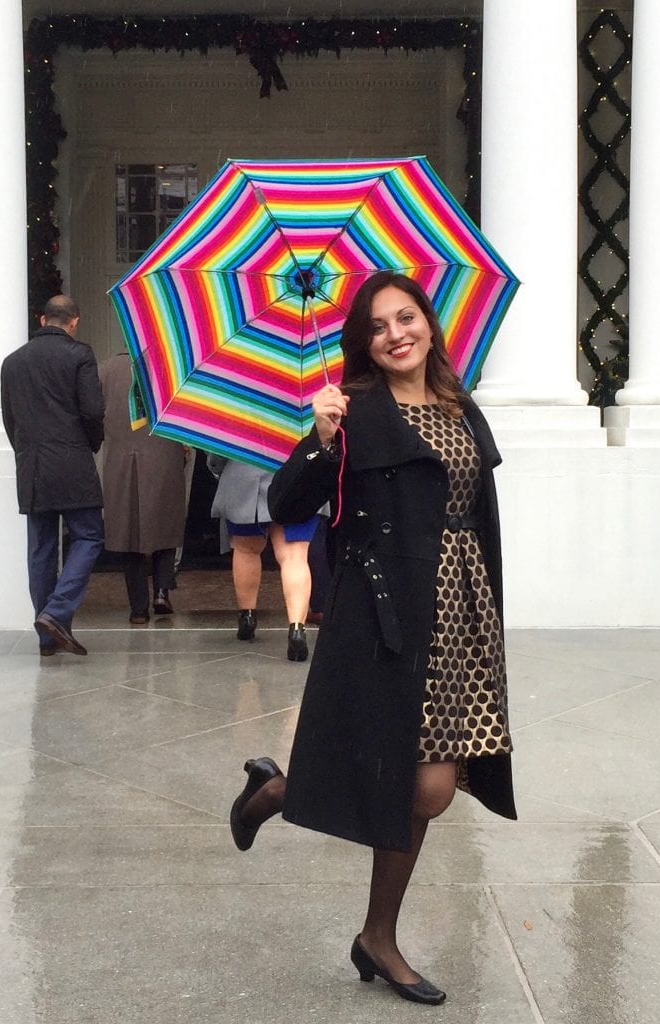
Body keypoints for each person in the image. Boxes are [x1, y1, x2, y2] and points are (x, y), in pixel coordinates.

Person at [228, 271, 516, 1006]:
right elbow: (291, 505)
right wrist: (322, 442)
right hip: (387, 615)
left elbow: (475, 512)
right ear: (365, 344)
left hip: (458, 612)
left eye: (406, 317)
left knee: (428, 788)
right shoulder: (351, 411)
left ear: (427, 322)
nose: (396, 333)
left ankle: (365, 921)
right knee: (415, 783)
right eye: (380, 326)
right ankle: (375, 932)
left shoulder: (459, 405)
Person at [1, 295, 105, 656]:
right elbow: (93, 411)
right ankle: (57, 612)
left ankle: (47, 638)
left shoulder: (12, 363)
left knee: (42, 548)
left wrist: (26, 453)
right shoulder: (80, 355)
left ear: (42, 319)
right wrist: (91, 444)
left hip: (32, 465)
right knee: (89, 536)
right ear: (74, 321)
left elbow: (9, 420)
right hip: (72, 460)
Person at [98, 352, 188, 623]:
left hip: (120, 459)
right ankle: (161, 592)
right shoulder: (172, 364)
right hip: (166, 453)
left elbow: (92, 412)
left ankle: (138, 608)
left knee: (128, 532)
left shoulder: (105, 369)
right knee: (166, 522)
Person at [207, 457, 317, 661]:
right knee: (294, 556)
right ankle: (296, 629)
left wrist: (217, 468)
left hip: (244, 477)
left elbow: (216, 452)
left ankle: (247, 618)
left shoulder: (238, 421)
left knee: (246, 550)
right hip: (299, 480)